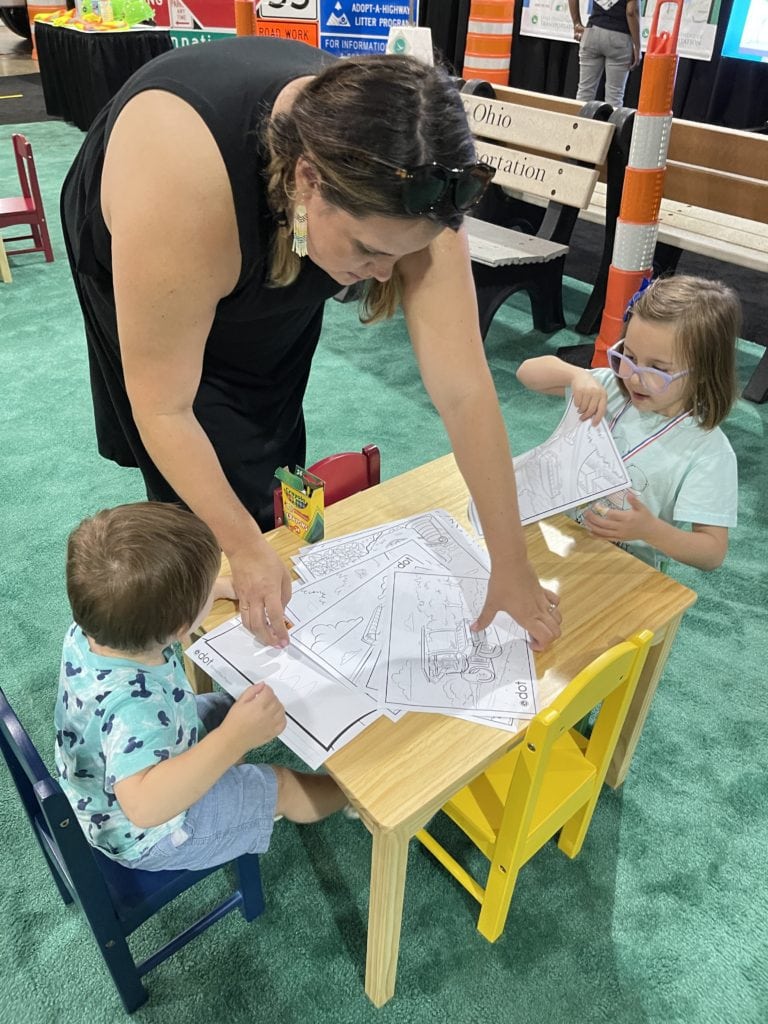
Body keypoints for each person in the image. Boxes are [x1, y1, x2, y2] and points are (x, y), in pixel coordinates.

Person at [61, 37, 562, 653]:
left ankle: (258, 540)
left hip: (288, 232)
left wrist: (510, 560)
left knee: (266, 421)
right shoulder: (183, 178)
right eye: (369, 251)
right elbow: (162, 406)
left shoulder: (423, 182)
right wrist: (242, 547)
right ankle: (205, 634)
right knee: (195, 446)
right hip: (160, 207)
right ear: (306, 180)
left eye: (401, 255)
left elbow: (464, 389)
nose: (384, 275)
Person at [54, 502, 347, 871]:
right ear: (180, 627)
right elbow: (144, 806)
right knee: (280, 784)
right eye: (207, 591)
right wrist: (233, 740)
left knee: (236, 702)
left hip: (116, 773)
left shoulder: (99, 626)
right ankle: (348, 796)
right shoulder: (132, 710)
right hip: (154, 834)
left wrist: (222, 589)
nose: (215, 589)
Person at [516, 276, 739, 571]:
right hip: (558, 535)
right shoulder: (610, 387)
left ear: (703, 373)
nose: (634, 377)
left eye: (658, 369)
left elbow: (711, 552)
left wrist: (650, 530)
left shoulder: (709, 451)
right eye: (629, 356)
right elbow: (527, 372)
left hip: (623, 568)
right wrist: (576, 375)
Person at [569, 0, 641, 107]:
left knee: (584, 92)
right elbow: (631, 11)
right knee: (615, 97)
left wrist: (576, 23)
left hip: (592, 31)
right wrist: (637, 45)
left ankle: (578, 123)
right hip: (620, 37)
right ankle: (610, 124)